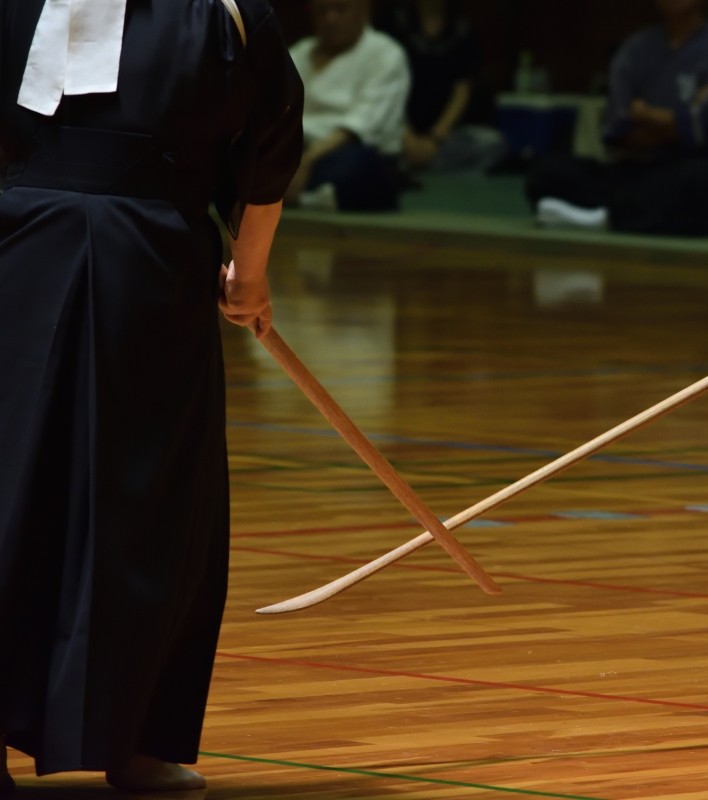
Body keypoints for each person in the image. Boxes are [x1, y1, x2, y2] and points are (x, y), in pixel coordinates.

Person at [0, 0, 302, 792]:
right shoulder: (230, 15)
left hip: (32, 254)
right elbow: (270, 153)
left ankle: (124, 736)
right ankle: (131, 740)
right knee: (143, 504)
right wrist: (253, 273)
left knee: (15, 490)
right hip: (148, 264)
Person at [524, 0, 708, 237]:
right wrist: (675, 123)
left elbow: (706, 127)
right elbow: (618, 126)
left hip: (688, 169)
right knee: (547, 171)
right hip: (635, 170)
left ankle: (603, 215)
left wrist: (644, 114)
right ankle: (619, 215)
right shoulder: (635, 49)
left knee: (703, 183)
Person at [288, 0, 409, 210]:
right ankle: (307, 196)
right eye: (322, 11)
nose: (330, 18)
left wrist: (307, 161)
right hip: (292, 151)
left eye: (340, 9)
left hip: (342, 152)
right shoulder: (300, 52)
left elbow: (360, 125)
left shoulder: (386, 53)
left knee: (359, 165)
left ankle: (299, 196)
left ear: (363, 10)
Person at [375, 0, 507, 174]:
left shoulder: (462, 29)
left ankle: (421, 163)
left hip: (446, 136)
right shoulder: (392, 23)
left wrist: (434, 139)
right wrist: (408, 136)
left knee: (493, 144)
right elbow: (385, 86)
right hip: (398, 129)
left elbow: (462, 89)